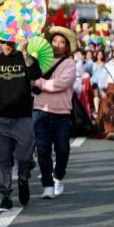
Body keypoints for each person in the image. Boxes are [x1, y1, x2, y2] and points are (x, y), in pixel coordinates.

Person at [0, 40, 41, 211]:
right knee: (1, 160)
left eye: (10, 41)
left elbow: (35, 75)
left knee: (25, 156)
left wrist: (25, 54)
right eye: (3, 41)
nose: (7, 44)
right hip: (0, 119)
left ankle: (23, 178)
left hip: (22, 117)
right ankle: (5, 196)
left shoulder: (26, 58)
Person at [33, 27, 77, 199]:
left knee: (62, 150)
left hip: (62, 114)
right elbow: (29, 75)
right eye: (55, 41)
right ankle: (47, 184)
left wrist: (39, 82)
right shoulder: (41, 60)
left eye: (62, 42)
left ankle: (58, 176)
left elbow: (61, 84)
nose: (57, 45)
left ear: (66, 46)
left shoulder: (69, 64)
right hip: (40, 111)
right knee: (42, 150)